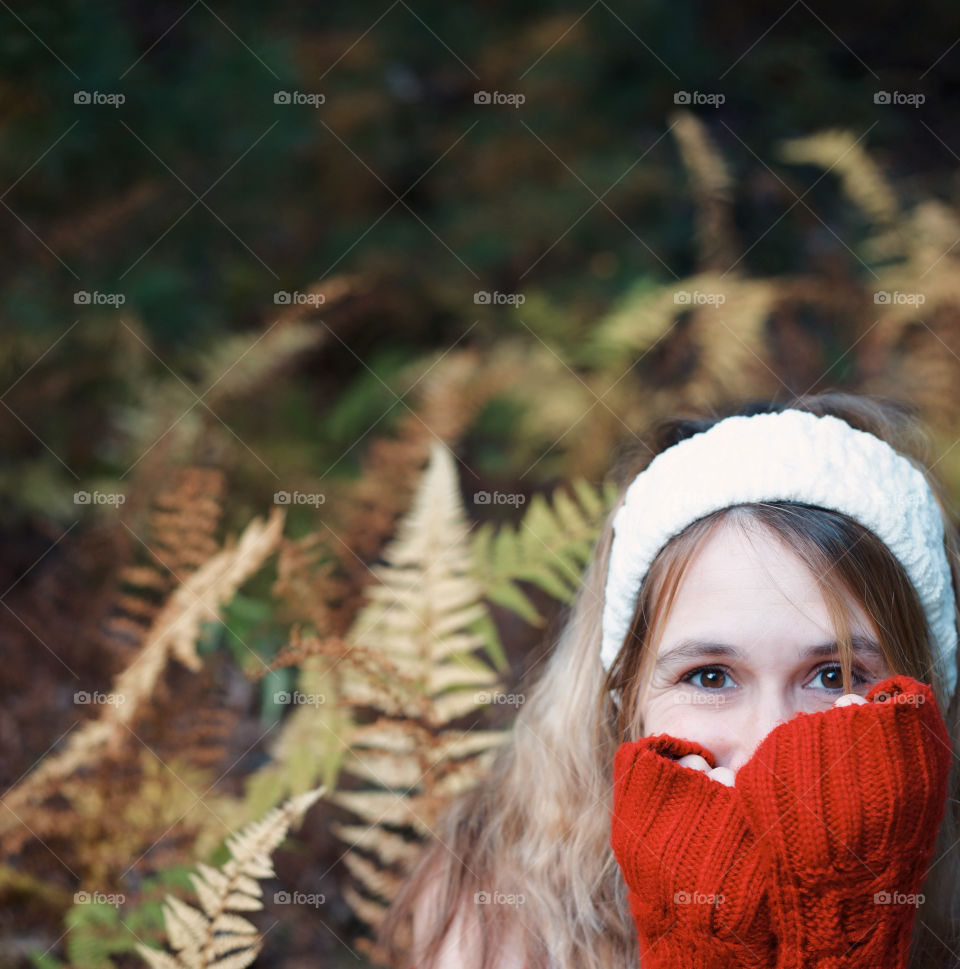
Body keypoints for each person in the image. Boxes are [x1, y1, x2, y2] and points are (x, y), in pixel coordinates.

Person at [376, 391, 960, 969]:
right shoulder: (498, 924)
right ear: (623, 698)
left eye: (834, 676)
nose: (767, 745)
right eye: (710, 677)